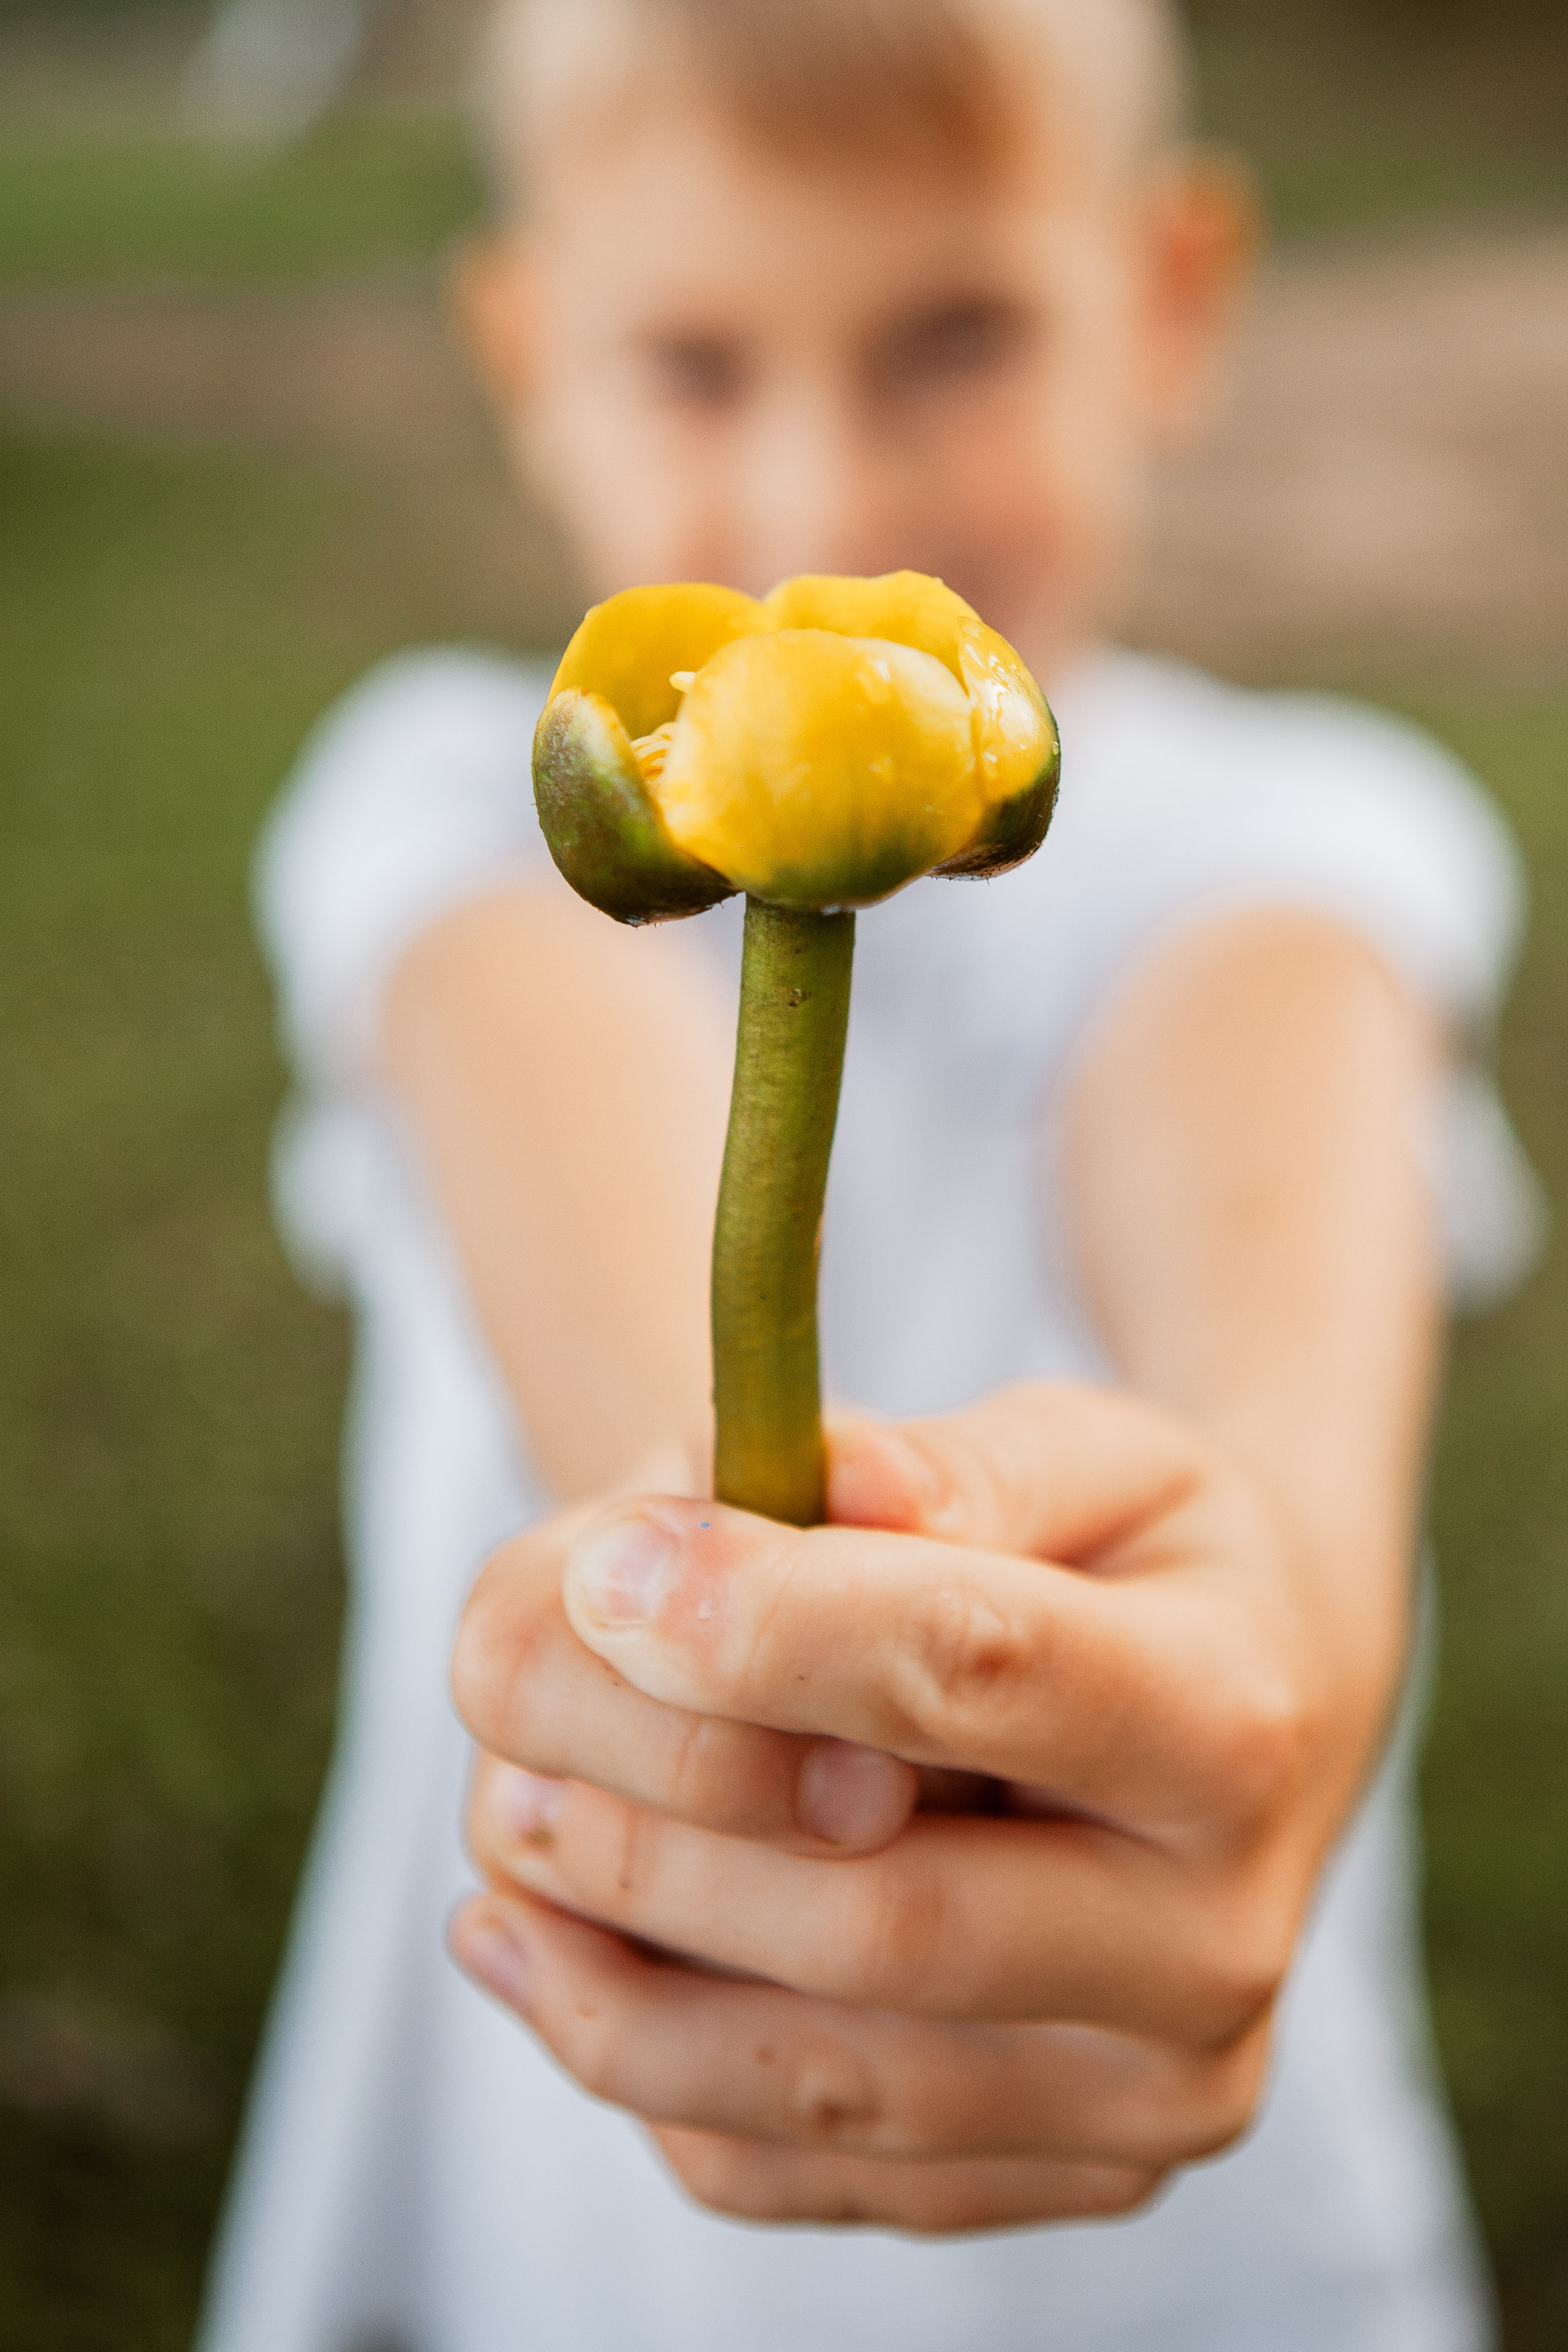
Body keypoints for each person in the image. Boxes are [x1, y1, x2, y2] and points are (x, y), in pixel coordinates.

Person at [198, 1, 1545, 2346]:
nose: (823, 511)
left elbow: (1279, 1342)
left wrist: (1283, 1661)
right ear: (526, 349)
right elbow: (566, 1184)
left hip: (1146, 2183)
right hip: (579, 2177)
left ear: (1171, 299)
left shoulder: (1304, 847)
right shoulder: (439, 800)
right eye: (696, 366)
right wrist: (707, 1596)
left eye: (954, 338)